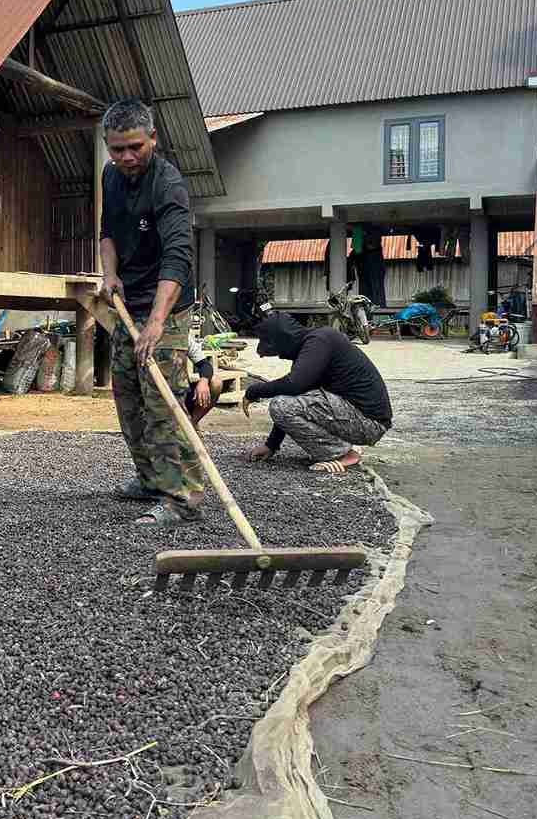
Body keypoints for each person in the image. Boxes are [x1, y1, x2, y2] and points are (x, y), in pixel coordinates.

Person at [97, 97, 203, 526]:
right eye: (116, 148)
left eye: (135, 147)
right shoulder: (112, 176)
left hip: (167, 308)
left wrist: (157, 322)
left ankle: (183, 497)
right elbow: (107, 231)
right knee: (129, 399)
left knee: (162, 403)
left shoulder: (168, 184)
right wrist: (110, 274)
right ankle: (150, 479)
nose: (125, 157)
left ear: (153, 139)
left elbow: (178, 257)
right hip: (127, 304)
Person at [240, 313, 392, 474]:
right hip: (361, 419)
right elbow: (295, 393)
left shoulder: (319, 340)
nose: (280, 356)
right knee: (286, 403)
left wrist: (253, 391)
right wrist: (271, 444)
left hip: (368, 423)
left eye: (277, 350)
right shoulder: (313, 344)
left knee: (280, 405)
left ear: (283, 339)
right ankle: (342, 448)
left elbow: (293, 385)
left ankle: (342, 454)